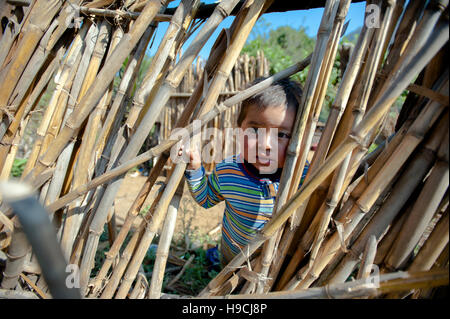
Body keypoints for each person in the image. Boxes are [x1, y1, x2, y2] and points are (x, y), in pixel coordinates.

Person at [180, 78, 309, 266]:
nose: (265, 145)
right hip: (231, 259)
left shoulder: (304, 176)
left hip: (276, 267)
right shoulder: (228, 171)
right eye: (255, 130)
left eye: (281, 135)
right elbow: (205, 199)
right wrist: (195, 168)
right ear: (239, 129)